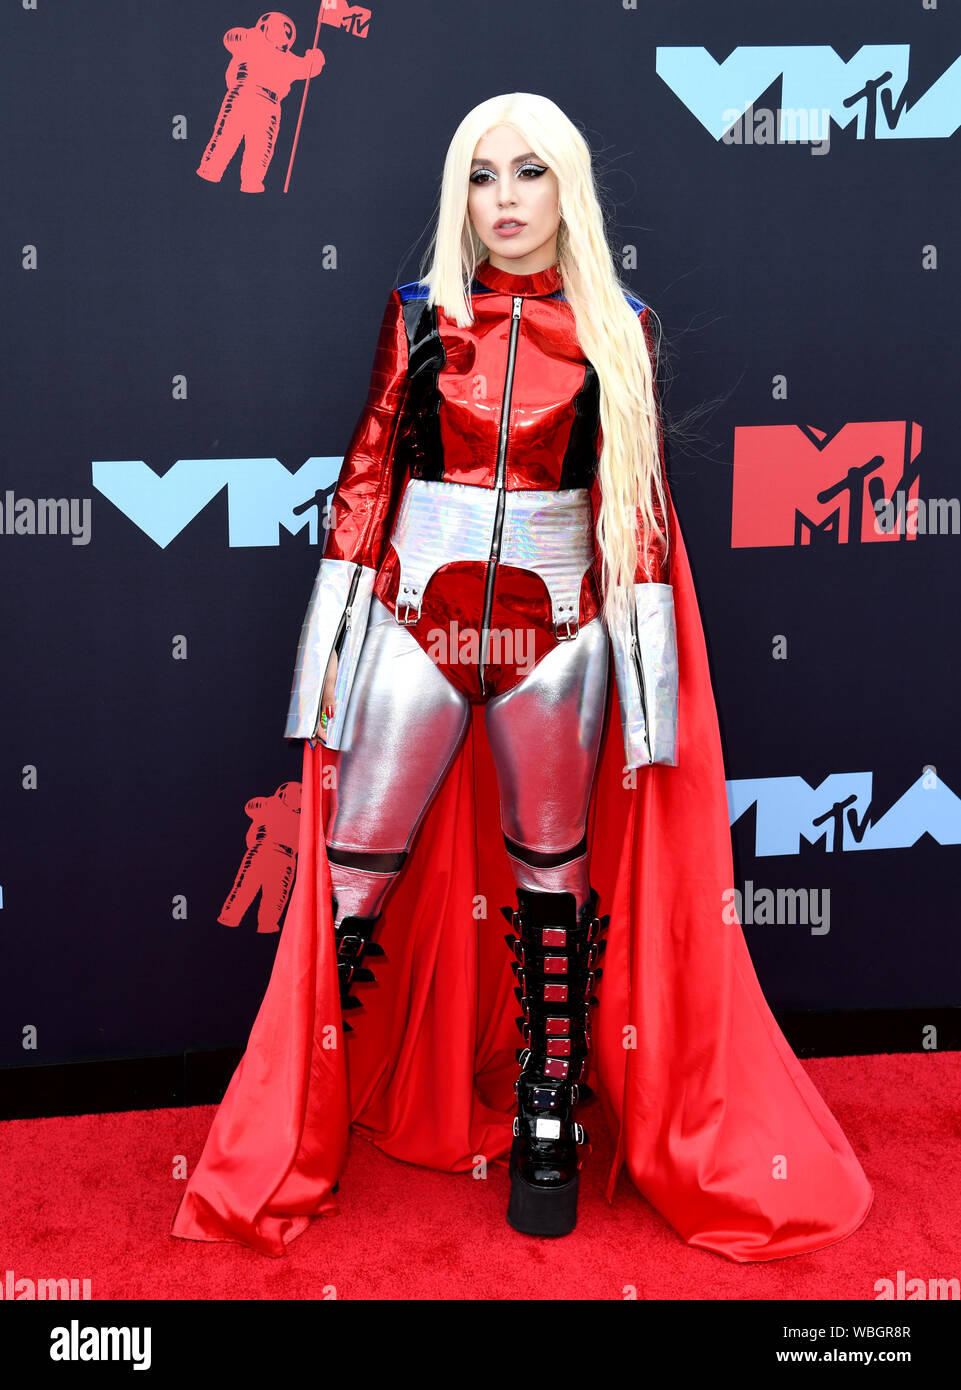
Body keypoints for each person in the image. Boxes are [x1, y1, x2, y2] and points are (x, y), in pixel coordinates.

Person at [171, 92, 873, 1260]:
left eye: (529, 173)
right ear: (462, 195)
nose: (505, 199)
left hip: (560, 637)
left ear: (567, 189)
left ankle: (551, 1108)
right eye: (483, 176)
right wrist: (321, 667)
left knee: (556, 879)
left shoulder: (618, 327)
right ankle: (301, 1111)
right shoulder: (419, 317)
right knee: (349, 878)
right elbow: (360, 486)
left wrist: (649, 702)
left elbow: (635, 514)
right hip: (415, 625)